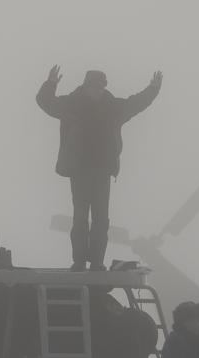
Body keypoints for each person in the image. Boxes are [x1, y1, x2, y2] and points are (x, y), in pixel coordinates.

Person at [36, 65, 163, 271]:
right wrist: (50, 84)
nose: (97, 90)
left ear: (104, 87)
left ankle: (96, 262)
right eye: (93, 87)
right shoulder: (71, 104)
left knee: (101, 220)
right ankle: (79, 262)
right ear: (85, 87)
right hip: (79, 171)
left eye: (100, 87)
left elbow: (136, 103)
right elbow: (45, 102)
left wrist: (153, 89)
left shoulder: (113, 107)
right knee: (80, 218)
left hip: (102, 171)